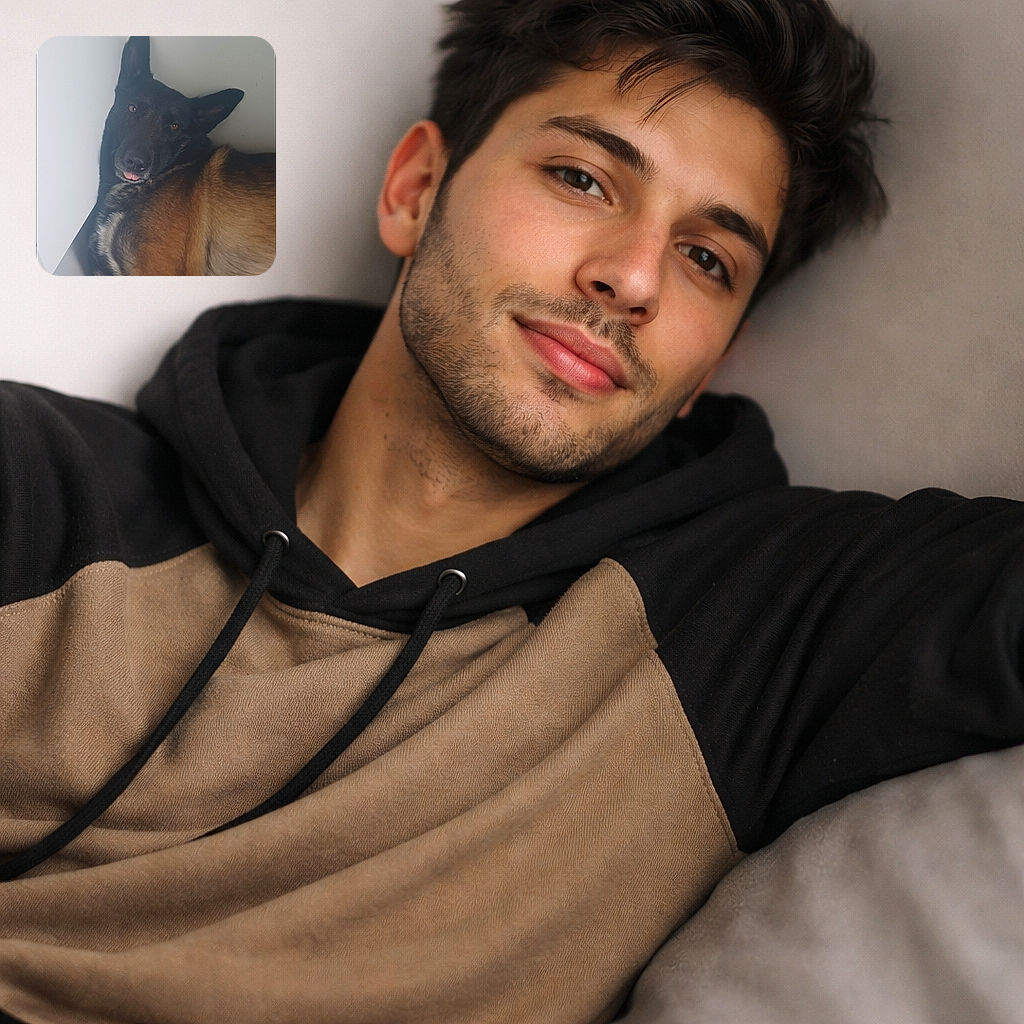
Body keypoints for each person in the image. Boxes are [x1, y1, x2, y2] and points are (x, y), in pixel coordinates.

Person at [0, 1, 1021, 1021]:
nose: (630, 278)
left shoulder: (750, 625)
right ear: (415, 189)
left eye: (708, 259)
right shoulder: (54, 490)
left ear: (714, 360)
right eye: (583, 180)